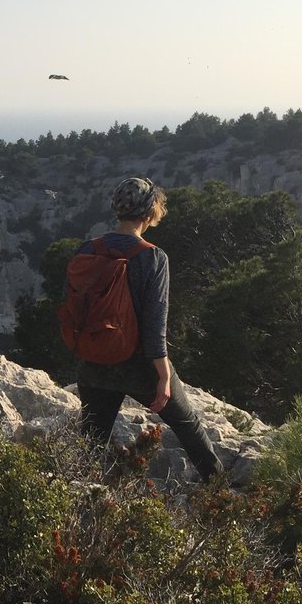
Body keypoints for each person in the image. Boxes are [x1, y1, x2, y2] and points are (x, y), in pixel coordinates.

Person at [73, 176, 224, 482]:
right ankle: (219, 492)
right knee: (188, 424)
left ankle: (72, 497)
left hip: (94, 363)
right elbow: (155, 327)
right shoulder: (153, 257)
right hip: (138, 366)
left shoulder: (87, 249)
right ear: (149, 211)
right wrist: (164, 377)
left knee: (90, 442)